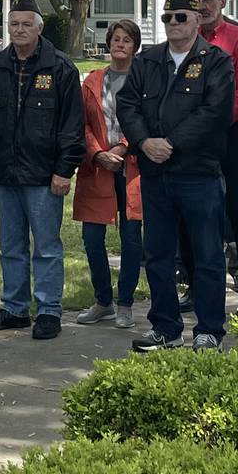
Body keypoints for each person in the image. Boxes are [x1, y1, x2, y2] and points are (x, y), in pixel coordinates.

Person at [117, 0, 235, 352]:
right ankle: (165, 327)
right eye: (167, 18)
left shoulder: (215, 60)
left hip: (197, 173)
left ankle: (210, 329)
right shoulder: (146, 60)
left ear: (198, 20)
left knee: (207, 254)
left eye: (180, 17)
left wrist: (171, 142)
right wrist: (144, 142)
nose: (173, 24)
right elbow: (127, 105)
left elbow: (214, 112)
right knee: (158, 254)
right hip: (156, 175)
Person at [0, 0, 85, 341]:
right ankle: (15, 308)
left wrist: (64, 170)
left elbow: (72, 125)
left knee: (47, 247)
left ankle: (49, 310)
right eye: (14, 24)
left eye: (26, 24)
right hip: (5, 173)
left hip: (44, 177)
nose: (19, 30)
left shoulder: (61, 68)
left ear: (40, 27)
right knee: (11, 245)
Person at [184, 0, 238, 301]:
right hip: (190, 142)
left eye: (208, 0)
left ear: (222, 1)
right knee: (193, 215)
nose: (203, 7)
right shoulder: (183, 38)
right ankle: (197, 288)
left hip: (229, 138)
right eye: (196, 2)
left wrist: (207, 124)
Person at [73, 19, 144, 329]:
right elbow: (82, 124)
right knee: (92, 237)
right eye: (116, 39)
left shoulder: (144, 79)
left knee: (131, 238)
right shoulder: (92, 80)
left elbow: (147, 118)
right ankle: (103, 301)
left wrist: (123, 148)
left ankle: (125, 304)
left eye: (126, 40)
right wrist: (98, 153)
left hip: (132, 167)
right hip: (97, 168)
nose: (120, 44)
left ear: (135, 46)